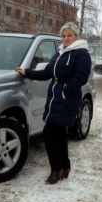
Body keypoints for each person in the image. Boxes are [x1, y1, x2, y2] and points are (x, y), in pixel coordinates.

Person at [15, 22, 92, 185]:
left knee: (49, 132)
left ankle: (56, 170)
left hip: (67, 97)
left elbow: (82, 76)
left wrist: (66, 91)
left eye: (69, 35)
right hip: (55, 96)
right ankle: (64, 166)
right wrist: (27, 72)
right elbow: (47, 72)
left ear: (76, 36)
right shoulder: (60, 53)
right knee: (59, 133)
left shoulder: (81, 54)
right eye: (63, 35)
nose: (66, 38)